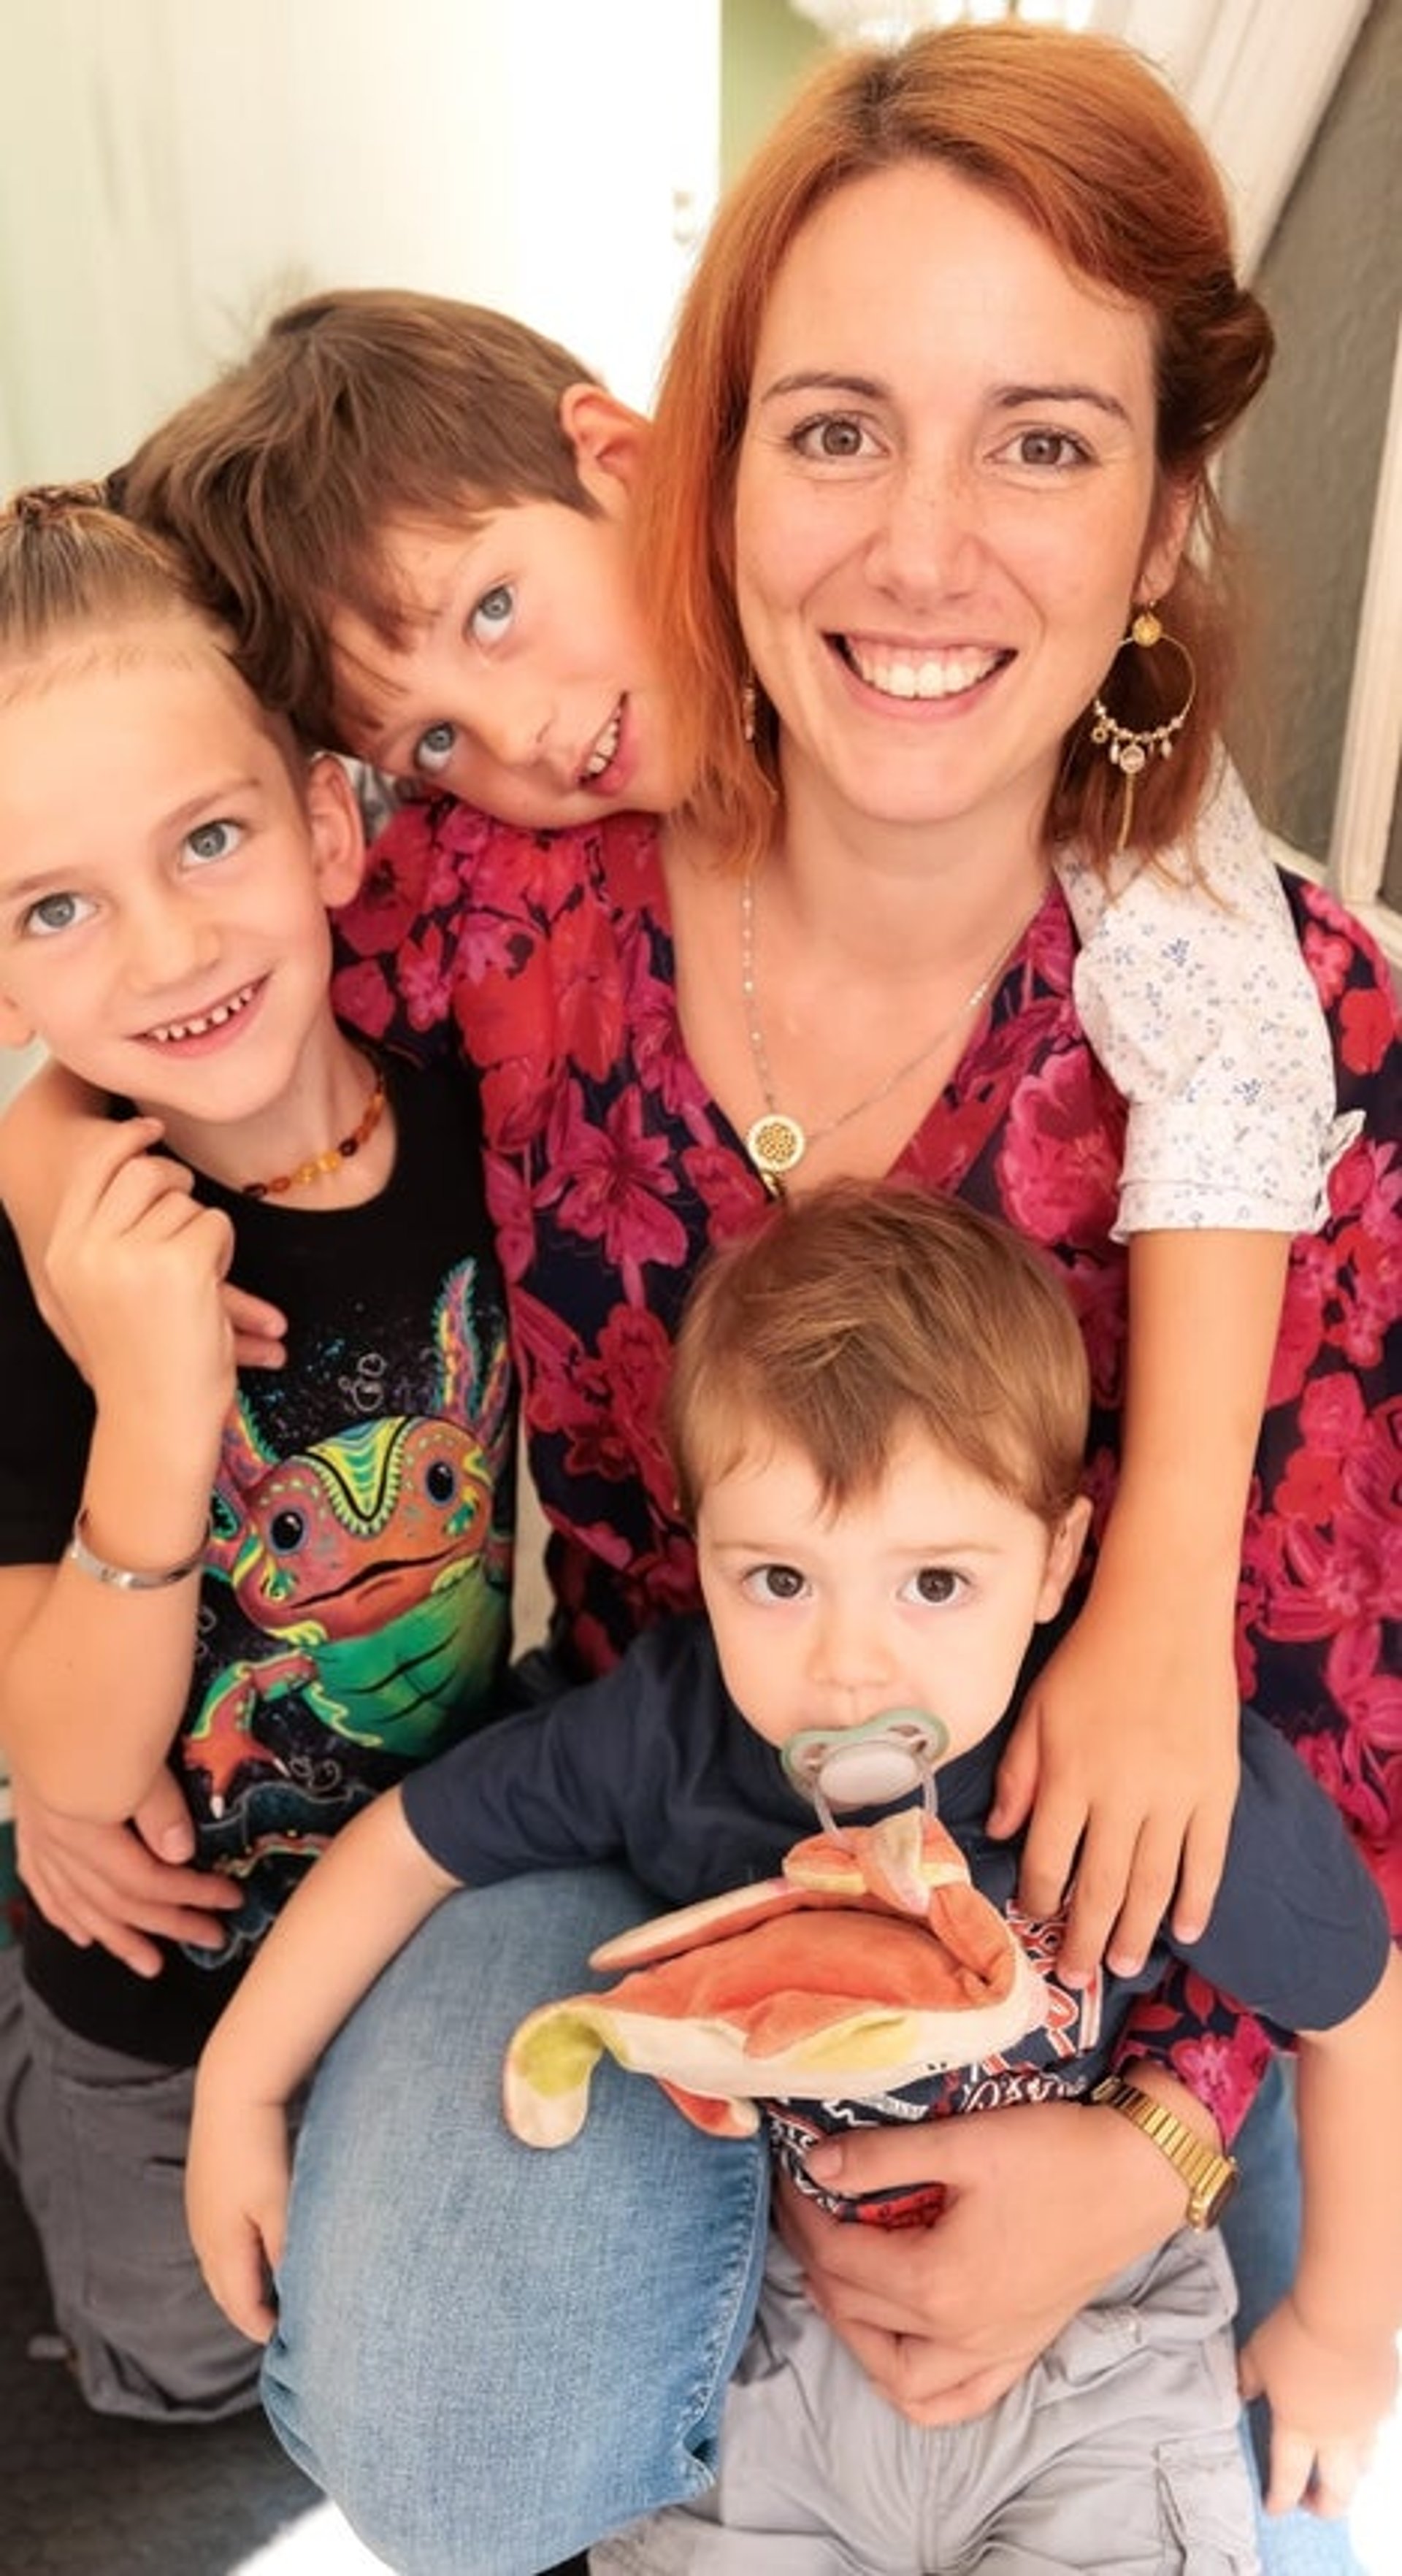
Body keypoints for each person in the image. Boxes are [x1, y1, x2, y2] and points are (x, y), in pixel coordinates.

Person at [0, 22, 1395, 2574]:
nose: (923, 548)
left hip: (1110, 1910)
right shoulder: (494, 890)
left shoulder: (1261, 1014)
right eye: (840, 428)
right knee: (471, 2405)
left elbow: (1304, 1710)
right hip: (651, 1800)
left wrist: (1160, 2133)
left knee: (1276, 2329)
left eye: (1044, 441)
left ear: (1169, 502)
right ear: (720, 453)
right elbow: (168, 951)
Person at [183, 1182, 1401, 2573]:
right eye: (779, 1580)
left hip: (1096, 2370)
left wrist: (1345, 2327)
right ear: (697, 1552)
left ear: (1059, 1557)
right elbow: (411, 1843)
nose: (850, 1663)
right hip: (766, 2360)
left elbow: (1360, 2015)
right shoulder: (673, 1732)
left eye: (934, 1583)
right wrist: (242, 2079)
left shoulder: (1133, 1763)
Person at [0, 488, 515, 2420]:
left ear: (321, 822)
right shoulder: (42, 1261)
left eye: (208, 840)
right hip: (145, 1965)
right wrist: (153, 1395)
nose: (163, 946)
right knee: (192, 2366)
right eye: (56, 907)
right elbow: (73, 1763)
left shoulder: (481, 1109)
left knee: (416, 2311)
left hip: (410, 1915)